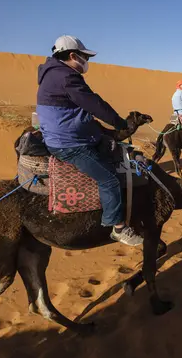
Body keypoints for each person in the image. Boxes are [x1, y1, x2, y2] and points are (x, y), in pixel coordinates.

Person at [36, 35, 143, 246]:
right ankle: (118, 227)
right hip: (70, 144)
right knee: (109, 179)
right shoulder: (67, 77)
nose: (87, 62)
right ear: (73, 55)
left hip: (67, 134)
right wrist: (120, 123)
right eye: (85, 57)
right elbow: (94, 103)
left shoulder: (52, 73)